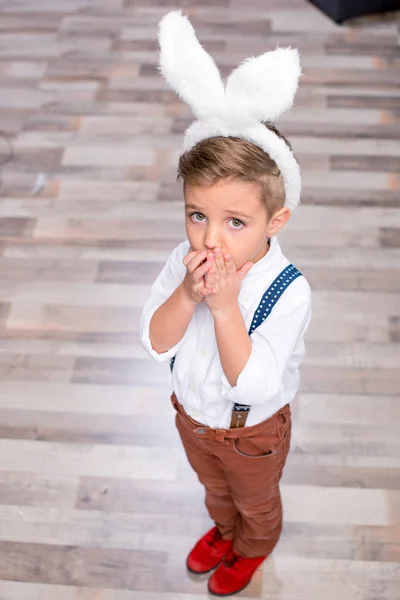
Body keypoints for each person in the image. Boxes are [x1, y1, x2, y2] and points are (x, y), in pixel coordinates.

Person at [140, 11, 312, 597]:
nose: (211, 240)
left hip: (252, 432)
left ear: (275, 220)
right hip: (192, 417)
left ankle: (251, 547)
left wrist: (224, 307)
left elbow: (255, 384)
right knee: (215, 491)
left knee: (256, 503)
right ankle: (222, 528)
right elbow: (155, 340)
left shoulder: (288, 290)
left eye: (235, 222)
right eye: (197, 216)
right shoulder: (181, 265)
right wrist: (187, 295)